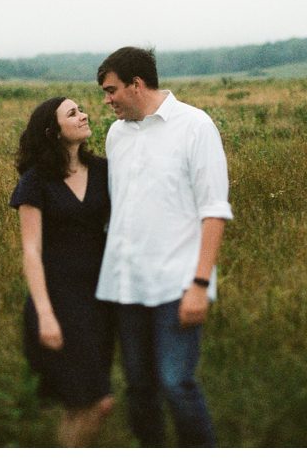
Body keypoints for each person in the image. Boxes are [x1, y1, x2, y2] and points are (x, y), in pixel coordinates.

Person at [95, 46, 232, 447]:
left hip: (178, 283)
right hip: (127, 284)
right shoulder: (116, 135)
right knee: (139, 388)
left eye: (111, 90)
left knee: (177, 383)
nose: (106, 101)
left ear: (136, 85)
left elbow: (214, 210)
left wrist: (200, 284)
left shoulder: (195, 126)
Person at [11, 97, 117, 446]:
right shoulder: (36, 181)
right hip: (59, 300)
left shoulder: (103, 170)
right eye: (72, 113)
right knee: (95, 401)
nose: (84, 115)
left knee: (82, 404)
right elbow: (31, 249)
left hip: (100, 299)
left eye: (81, 109)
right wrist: (45, 313)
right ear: (53, 132)